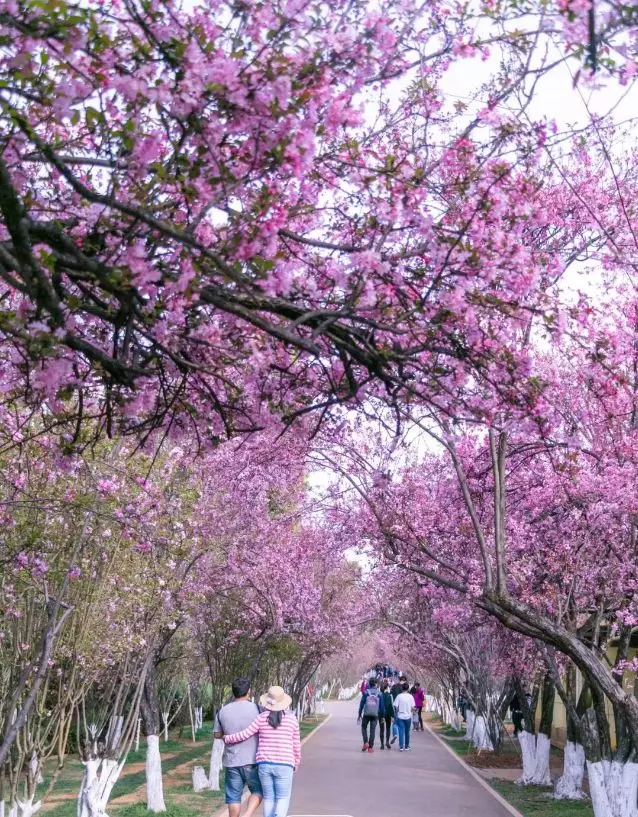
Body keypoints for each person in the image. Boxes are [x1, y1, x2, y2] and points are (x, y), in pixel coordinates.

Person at [224, 686, 301, 817]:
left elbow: (245, 734)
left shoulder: (261, 718)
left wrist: (227, 738)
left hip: (264, 765)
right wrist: (297, 762)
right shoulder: (292, 719)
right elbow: (296, 745)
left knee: (269, 798)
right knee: (282, 797)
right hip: (285, 764)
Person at [213, 677, 262, 817]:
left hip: (232, 761)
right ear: (249, 692)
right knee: (258, 791)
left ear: (233, 692)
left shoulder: (223, 711)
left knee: (233, 797)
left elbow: (216, 734)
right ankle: (248, 814)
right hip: (253, 760)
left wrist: (226, 734)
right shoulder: (257, 709)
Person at [357, 676, 385, 752]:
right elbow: (382, 707)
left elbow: (362, 704)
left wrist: (359, 714)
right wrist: (382, 717)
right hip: (375, 715)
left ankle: (365, 742)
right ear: (376, 684)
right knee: (372, 730)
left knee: (364, 728)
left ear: (369, 684)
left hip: (366, 713)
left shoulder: (366, 693)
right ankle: (370, 747)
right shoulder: (379, 694)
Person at [394, 681, 416, 752]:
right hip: (408, 716)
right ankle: (406, 746)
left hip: (400, 716)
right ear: (408, 689)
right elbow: (413, 707)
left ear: (402, 688)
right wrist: (412, 711)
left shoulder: (399, 696)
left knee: (401, 731)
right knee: (407, 732)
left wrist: (399, 710)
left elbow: (396, 707)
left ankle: (401, 747)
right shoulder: (410, 697)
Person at [379, 680, 394, 750]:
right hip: (388, 714)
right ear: (387, 688)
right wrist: (393, 716)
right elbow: (391, 706)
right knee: (388, 728)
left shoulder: (379, 695)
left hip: (381, 714)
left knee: (382, 729)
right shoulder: (389, 695)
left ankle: (382, 745)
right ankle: (387, 742)